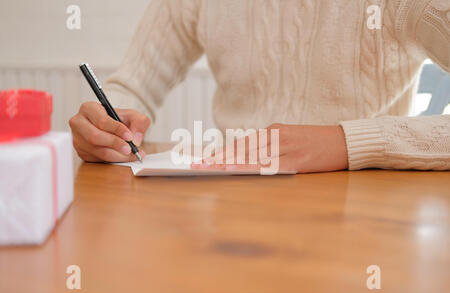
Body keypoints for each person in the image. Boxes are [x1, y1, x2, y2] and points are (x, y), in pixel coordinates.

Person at [69, 0, 450, 173]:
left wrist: (344, 142)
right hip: (236, 211)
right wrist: (104, 126)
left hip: (370, 212)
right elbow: (132, 88)